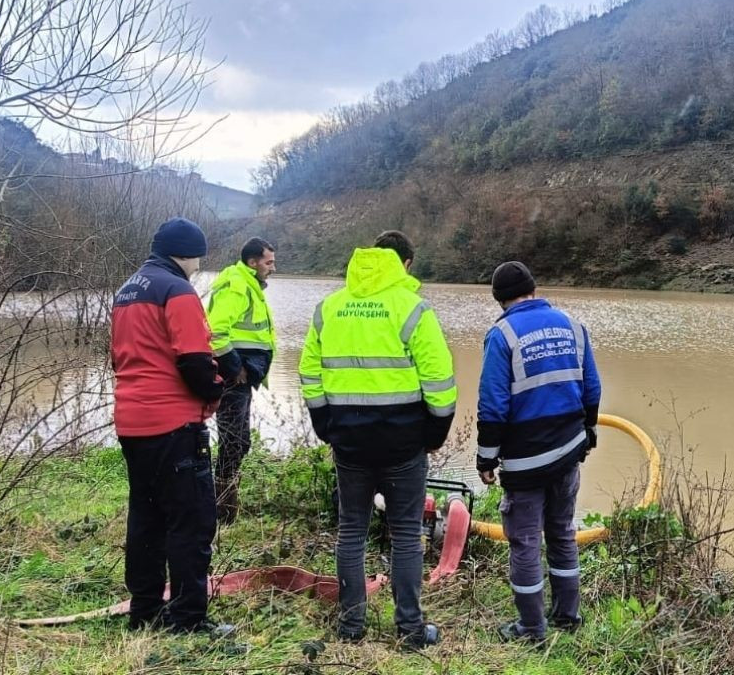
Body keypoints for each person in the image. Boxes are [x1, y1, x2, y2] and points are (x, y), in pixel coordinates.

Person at [299, 230, 456, 650]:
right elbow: (440, 383)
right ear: (404, 264)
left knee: (351, 530)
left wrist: (323, 424)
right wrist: (434, 435)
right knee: (406, 534)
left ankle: (351, 626)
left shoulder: (329, 308)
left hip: (348, 441)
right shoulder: (412, 308)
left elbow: (309, 372)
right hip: (404, 443)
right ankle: (410, 630)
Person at [110, 217, 233, 637]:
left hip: (132, 422)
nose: (200, 263)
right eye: (199, 255)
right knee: (191, 522)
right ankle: (189, 620)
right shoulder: (178, 290)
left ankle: (145, 611)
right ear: (189, 252)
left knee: (146, 518)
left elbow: (122, 358)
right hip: (174, 423)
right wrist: (216, 391)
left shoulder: (127, 290)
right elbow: (195, 359)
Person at [476, 261, 601, 643]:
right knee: (562, 533)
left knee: (526, 542)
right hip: (567, 453)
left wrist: (486, 458)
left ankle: (531, 629)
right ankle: (567, 616)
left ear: (500, 300)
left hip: (526, 460)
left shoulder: (502, 335)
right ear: (534, 288)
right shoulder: (573, 326)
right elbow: (592, 388)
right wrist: (588, 430)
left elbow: (493, 405)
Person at [206, 236, 277, 524]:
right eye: (269, 262)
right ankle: (221, 511)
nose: (273, 267)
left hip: (242, 376)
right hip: (234, 377)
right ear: (253, 262)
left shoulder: (248, 284)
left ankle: (223, 506)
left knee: (238, 441)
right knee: (234, 441)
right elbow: (215, 331)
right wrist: (235, 368)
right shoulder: (238, 285)